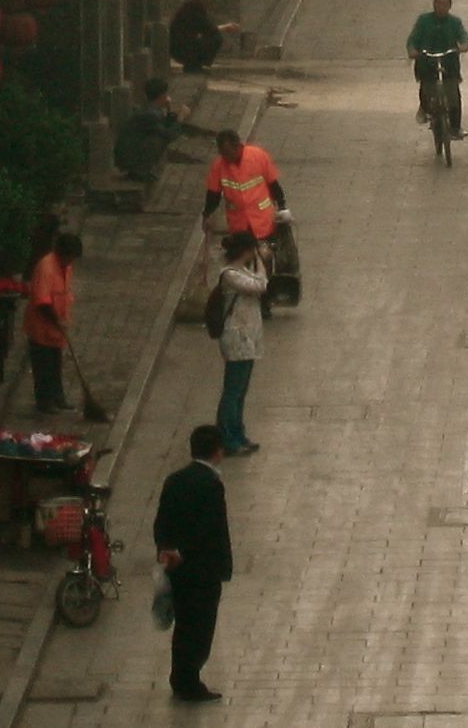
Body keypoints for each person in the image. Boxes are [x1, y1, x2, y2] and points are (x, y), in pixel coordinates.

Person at [153, 425, 235, 702]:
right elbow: (207, 528)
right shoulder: (212, 485)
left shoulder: (174, 480)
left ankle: (180, 677)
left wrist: (166, 549)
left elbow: (161, 520)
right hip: (203, 570)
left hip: (177, 570)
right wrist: (184, 551)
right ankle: (189, 681)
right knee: (200, 628)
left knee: (184, 624)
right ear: (218, 451)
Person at [211, 230, 269, 456]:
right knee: (233, 391)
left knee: (241, 390)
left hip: (248, 337)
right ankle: (228, 438)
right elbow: (260, 286)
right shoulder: (230, 274)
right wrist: (261, 261)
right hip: (236, 337)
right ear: (246, 251)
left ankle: (238, 432)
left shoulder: (242, 269)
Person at [25, 233, 82, 414]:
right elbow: (42, 301)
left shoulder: (66, 266)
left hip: (56, 329)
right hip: (42, 327)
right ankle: (44, 402)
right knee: (44, 367)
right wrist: (56, 320)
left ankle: (58, 397)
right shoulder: (46, 268)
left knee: (56, 365)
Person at [406, 0, 468, 135]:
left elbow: (463, 36)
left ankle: (455, 127)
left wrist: (463, 45)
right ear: (434, 4)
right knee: (426, 87)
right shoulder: (424, 21)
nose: (441, 7)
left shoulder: (455, 22)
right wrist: (413, 50)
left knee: (453, 93)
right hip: (427, 61)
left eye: (445, 4)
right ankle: (425, 108)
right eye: (439, 3)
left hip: (449, 62)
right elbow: (413, 39)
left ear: (450, 6)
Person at [117, 76, 187, 183]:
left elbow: (164, 125)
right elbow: (168, 135)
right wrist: (181, 118)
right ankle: (140, 171)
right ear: (162, 95)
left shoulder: (151, 108)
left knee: (159, 138)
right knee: (158, 140)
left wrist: (169, 109)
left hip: (130, 153)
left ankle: (142, 170)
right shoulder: (150, 114)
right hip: (128, 156)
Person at [168, 0, 242, 79]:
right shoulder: (194, 7)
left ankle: (195, 65)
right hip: (180, 47)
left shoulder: (194, 5)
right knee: (216, 38)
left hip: (181, 44)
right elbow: (210, 29)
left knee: (212, 37)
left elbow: (207, 27)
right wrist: (226, 27)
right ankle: (193, 66)